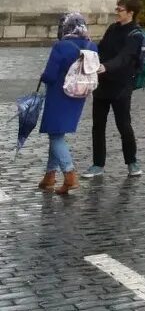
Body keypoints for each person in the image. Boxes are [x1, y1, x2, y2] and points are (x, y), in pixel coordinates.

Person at [84, 0, 145, 179]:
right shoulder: (112, 29)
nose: (116, 12)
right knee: (98, 125)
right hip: (102, 83)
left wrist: (106, 66)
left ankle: (132, 162)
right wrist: (86, 51)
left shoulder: (135, 34)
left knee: (123, 124)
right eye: (116, 9)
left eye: (120, 10)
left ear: (130, 12)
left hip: (121, 85)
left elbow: (125, 57)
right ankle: (98, 164)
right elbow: (100, 49)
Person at [37, 12, 98, 194]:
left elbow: (50, 75)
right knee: (57, 134)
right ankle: (49, 177)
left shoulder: (61, 46)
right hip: (78, 94)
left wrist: (42, 76)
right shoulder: (92, 45)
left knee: (55, 135)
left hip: (59, 94)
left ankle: (70, 175)